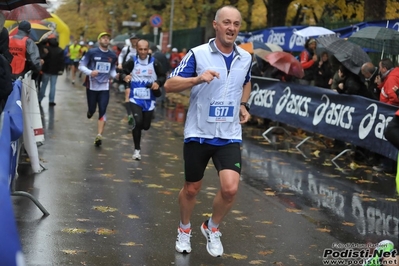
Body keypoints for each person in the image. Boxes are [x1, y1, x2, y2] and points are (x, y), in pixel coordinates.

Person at [164, 5, 252, 257]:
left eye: (236, 24)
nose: (231, 28)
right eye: (226, 22)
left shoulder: (245, 57)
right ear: (216, 25)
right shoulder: (197, 54)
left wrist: (244, 104)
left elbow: (247, 81)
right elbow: (169, 85)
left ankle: (211, 227)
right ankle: (184, 229)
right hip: (198, 132)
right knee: (192, 188)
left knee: (230, 188)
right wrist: (197, 79)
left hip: (229, 134)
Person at [120, 39, 166, 160]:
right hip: (135, 98)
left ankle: (138, 130)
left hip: (149, 99)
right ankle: (137, 150)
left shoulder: (154, 62)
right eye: (140, 49)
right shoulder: (132, 61)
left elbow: (162, 76)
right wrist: (126, 77)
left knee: (145, 126)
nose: (143, 52)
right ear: (137, 49)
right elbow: (122, 73)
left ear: (148, 49)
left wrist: (157, 82)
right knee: (138, 122)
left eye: (145, 49)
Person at [78, 32, 118, 146]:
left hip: (104, 86)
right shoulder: (92, 52)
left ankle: (99, 135)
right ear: (99, 40)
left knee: (103, 109)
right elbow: (81, 66)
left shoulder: (113, 56)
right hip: (92, 86)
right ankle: (90, 111)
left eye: (107, 38)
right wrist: (91, 72)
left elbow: (112, 70)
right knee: (92, 109)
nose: (106, 40)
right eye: (103, 38)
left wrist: (116, 76)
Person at [117, 34, 140, 126]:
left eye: (135, 39)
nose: (134, 41)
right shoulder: (126, 49)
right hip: (128, 74)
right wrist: (120, 64)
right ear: (130, 40)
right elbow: (121, 56)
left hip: (139, 75)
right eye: (132, 39)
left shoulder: (141, 50)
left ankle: (138, 113)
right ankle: (130, 114)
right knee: (128, 93)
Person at [38, 38, 65, 106]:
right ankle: (51, 101)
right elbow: (62, 61)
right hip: (55, 71)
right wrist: (61, 69)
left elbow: (43, 57)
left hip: (46, 70)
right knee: (53, 86)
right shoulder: (60, 50)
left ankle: (39, 99)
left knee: (44, 85)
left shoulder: (47, 49)